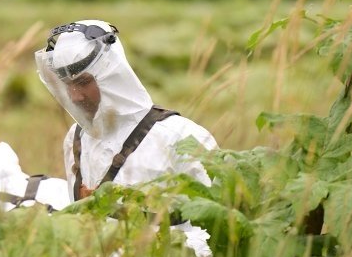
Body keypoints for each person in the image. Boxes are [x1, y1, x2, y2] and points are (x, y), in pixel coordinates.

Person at [35, 19, 219, 202]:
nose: (75, 96)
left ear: (111, 74)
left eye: (83, 83)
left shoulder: (182, 138)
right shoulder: (75, 140)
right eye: (68, 85)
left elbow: (217, 221)